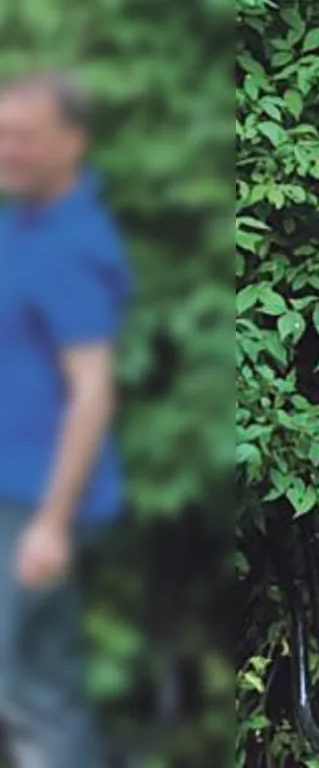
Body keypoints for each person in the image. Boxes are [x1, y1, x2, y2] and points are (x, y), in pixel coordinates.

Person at [0, 71, 130, 767]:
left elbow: (92, 391)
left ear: (71, 143)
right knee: (34, 689)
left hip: (32, 503)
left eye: (23, 137)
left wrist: (52, 523)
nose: (7, 149)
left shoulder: (74, 246)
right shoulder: (19, 226)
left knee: (31, 697)